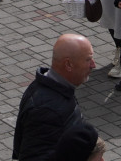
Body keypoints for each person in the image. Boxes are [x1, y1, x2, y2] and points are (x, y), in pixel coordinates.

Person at [12, 33, 96, 161]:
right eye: (88, 60)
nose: (93, 65)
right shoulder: (47, 110)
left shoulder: (49, 88)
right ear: (68, 64)